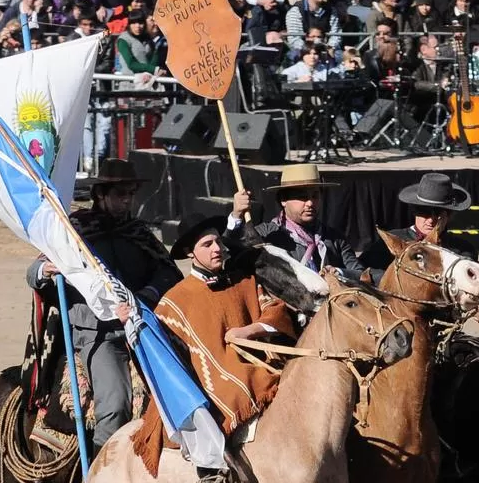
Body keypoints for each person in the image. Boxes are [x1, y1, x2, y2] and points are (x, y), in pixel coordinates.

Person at [26, 158, 180, 453]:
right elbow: (33, 273)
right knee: (115, 405)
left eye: (131, 193)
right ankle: (101, 473)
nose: (127, 199)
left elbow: (167, 272)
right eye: (120, 193)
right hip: (98, 333)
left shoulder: (139, 233)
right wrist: (46, 272)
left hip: (141, 324)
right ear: (100, 195)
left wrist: (145, 295)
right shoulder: (72, 232)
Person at [155, 210, 296, 440]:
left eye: (218, 241)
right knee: (229, 397)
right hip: (212, 383)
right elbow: (169, 360)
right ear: (190, 252)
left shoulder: (244, 280)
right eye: (207, 244)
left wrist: (248, 330)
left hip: (263, 368)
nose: (217, 248)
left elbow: (276, 310)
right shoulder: (173, 302)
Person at [362, 172, 479, 321]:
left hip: (443, 328)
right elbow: (362, 271)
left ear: (449, 215)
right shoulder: (391, 242)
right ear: (414, 212)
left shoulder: (460, 249)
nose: (431, 220)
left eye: (439, 214)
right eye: (425, 213)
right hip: (395, 324)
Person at [226, 163, 364, 278]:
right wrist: (236, 215)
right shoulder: (265, 235)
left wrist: (338, 272)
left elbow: (362, 274)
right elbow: (228, 256)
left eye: (315, 196)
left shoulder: (334, 238)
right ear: (283, 200)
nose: (310, 203)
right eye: (302, 197)